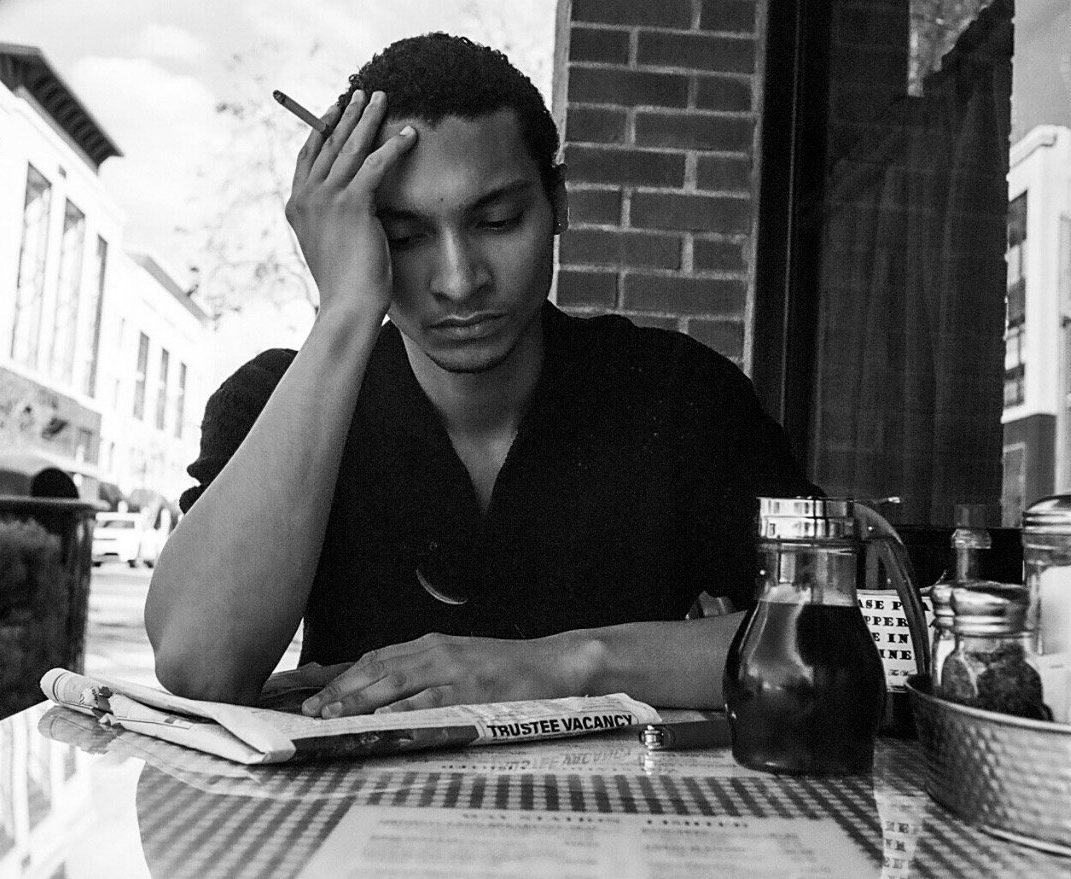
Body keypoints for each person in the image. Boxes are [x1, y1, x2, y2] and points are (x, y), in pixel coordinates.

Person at [145, 33, 817, 717]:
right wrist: (344, 310)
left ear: (558, 202)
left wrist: (568, 664)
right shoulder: (281, 400)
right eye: (403, 237)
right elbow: (200, 667)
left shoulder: (677, 395)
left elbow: (838, 633)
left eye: (496, 221)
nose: (459, 281)